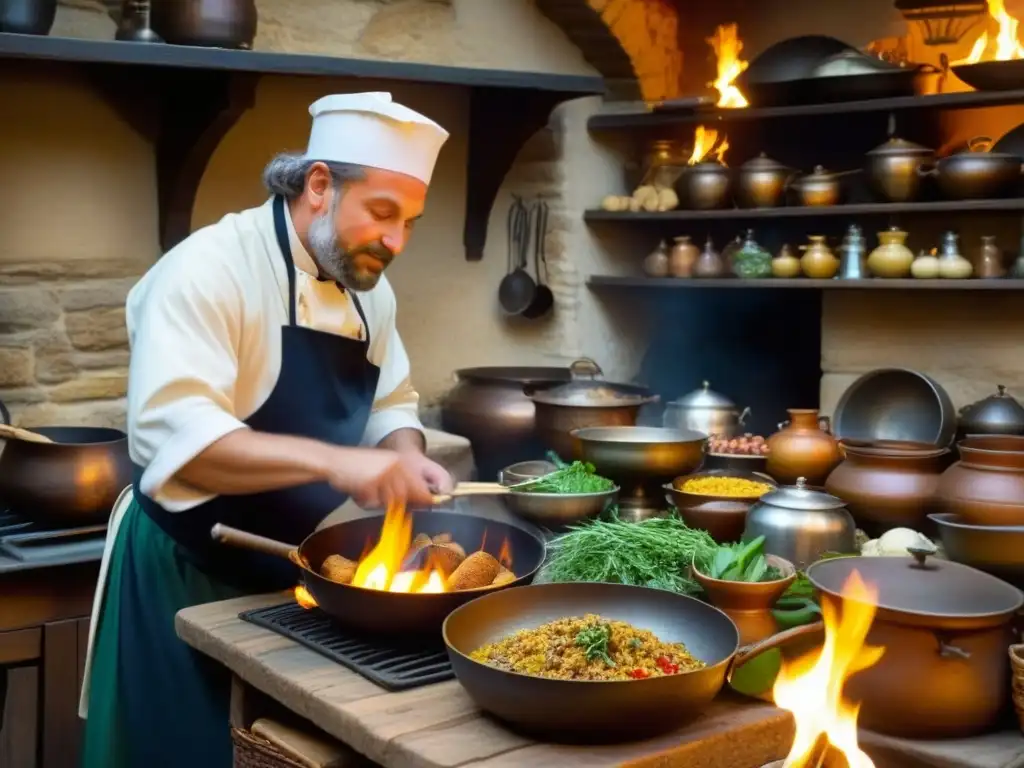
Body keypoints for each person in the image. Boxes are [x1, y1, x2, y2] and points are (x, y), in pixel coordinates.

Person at [79, 92, 454, 768]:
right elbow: (181, 444)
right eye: (382, 213)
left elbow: (391, 397)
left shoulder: (370, 285)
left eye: (411, 222)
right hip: (183, 569)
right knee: (176, 753)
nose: (396, 242)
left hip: (284, 577)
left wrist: (403, 455)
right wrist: (340, 465)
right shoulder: (208, 270)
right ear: (319, 186)